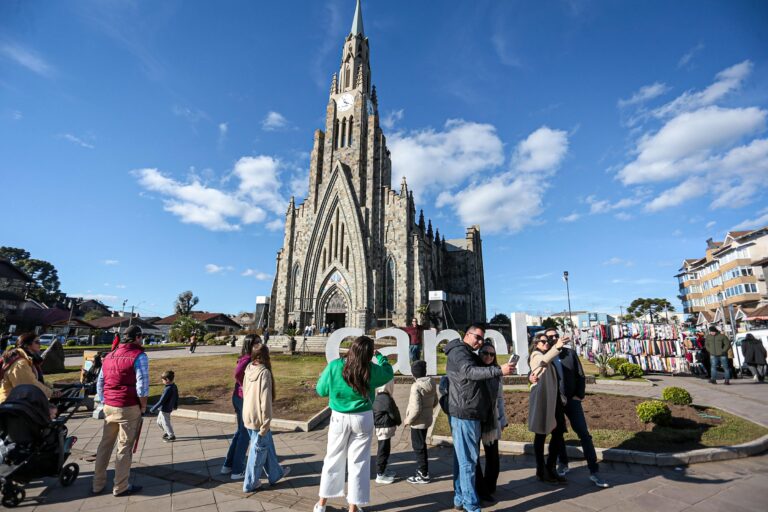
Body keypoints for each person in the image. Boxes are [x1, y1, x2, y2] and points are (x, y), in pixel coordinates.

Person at [314, 336, 394, 512]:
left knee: (332, 459)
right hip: (363, 418)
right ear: (368, 354)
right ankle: (353, 508)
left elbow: (321, 390)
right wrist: (381, 357)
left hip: (339, 418)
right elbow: (388, 373)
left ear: (352, 348)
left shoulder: (335, 366)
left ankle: (321, 505)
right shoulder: (371, 369)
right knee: (359, 463)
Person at [444, 323, 516, 512]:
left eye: (482, 339)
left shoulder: (467, 352)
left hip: (469, 412)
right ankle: (471, 505)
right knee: (468, 462)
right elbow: (469, 372)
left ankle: (460, 498)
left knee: (462, 460)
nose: (480, 341)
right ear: (467, 335)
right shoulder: (460, 352)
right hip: (465, 413)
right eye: (477, 337)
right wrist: (498, 370)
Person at [539, 329, 610, 488]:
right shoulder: (545, 355)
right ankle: (563, 463)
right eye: (550, 337)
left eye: (556, 335)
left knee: (583, 433)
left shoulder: (569, 353)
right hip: (555, 402)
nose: (554, 338)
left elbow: (580, 374)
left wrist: (579, 395)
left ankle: (594, 471)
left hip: (572, 400)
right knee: (558, 434)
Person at [92, 325, 149, 496]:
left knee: (105, 445)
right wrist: (143, 406)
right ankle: (121, 486)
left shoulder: (110, 355)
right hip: (128, 406)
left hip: (109, 405)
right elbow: (142, 386)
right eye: (141, 337)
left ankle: (97, 484)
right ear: (137, 337)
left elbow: (100, 382)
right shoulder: (139, 355)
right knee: (124, 447)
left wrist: (104, 400)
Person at [242, 343, 290, 492]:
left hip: (248, 414)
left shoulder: (249, 368)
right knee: (257, 452)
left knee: (266, 447)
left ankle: (275, 474)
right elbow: (265, 401)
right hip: (259, 418)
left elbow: (245, 391)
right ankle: (250, 483)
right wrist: (266, 423)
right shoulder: (264, 373)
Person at [528, 332, 568, 485]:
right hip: (543, 400)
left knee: (558, 433)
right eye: (542, 341)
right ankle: (542, 469)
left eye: (548, 341)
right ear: (536, 344)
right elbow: (541, 363)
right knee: (541, 433)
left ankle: (550, 467)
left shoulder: (549, 355)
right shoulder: (536, 355)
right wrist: (556, 347)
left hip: (554, 400)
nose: (546, 343)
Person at [222, 335, 258, 479]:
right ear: (250, 344)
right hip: (243, 398)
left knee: (240, 431)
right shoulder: (247, 358)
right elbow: (237, 373)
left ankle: (228, 465)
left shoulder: (247, 357)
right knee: (245, 433)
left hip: (239, 397)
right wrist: (244, 384)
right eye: (256, 343)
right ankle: (237, 471)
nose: (260, 344)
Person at [474, 342, 507, 500]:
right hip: (475, 418)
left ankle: (490, 486)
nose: (488, 356)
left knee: (493, 457)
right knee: (474, 457)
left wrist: (503, 419)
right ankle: (480, 489)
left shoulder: (497, 373)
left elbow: (500, 398)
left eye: (492, 354)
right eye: (485, 353)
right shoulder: (475, 370)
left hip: (491, 419)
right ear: (479, 354)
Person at [404, 360, 438, 485]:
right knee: (422, 445)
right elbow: (435, 401)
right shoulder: (431, 382)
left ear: (414, 374)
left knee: (418, 448)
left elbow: (415, 409)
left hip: (418, 422)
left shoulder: (416, 386)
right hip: (427, 419)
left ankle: (423, 474)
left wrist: (408, 420)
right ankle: (423, 471)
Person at [0, 332, 58, 403]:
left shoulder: (27, 360)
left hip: (18, 401)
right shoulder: (20, 363)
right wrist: (51, 393)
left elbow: (33, 379)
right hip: (11, 404)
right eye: (37, 342)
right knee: (52, 409)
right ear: (26, 345)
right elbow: (29, 385)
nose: (40, 344)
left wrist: (50, 387)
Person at [372, 378, 400, 485]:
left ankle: (383, 470)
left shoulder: (380, 396)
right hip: (384, 428)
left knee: (385, 450)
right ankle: (380, 474)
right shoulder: (385, 398)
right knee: (383, 451)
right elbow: (394, 413)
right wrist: (398, 421)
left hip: (383, 428)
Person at [149, 370, 179, 442]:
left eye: (163, 380)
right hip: (165, 408)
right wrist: (175, 405)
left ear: (167, 380)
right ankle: (167, 432)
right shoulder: (174, 386)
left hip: (165, 409)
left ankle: (171, 436)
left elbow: (161, 401)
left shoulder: (168, 389)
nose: (162, 381)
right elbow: (176, 396)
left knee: (165, 423)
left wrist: (153, 408)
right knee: (159, 422)